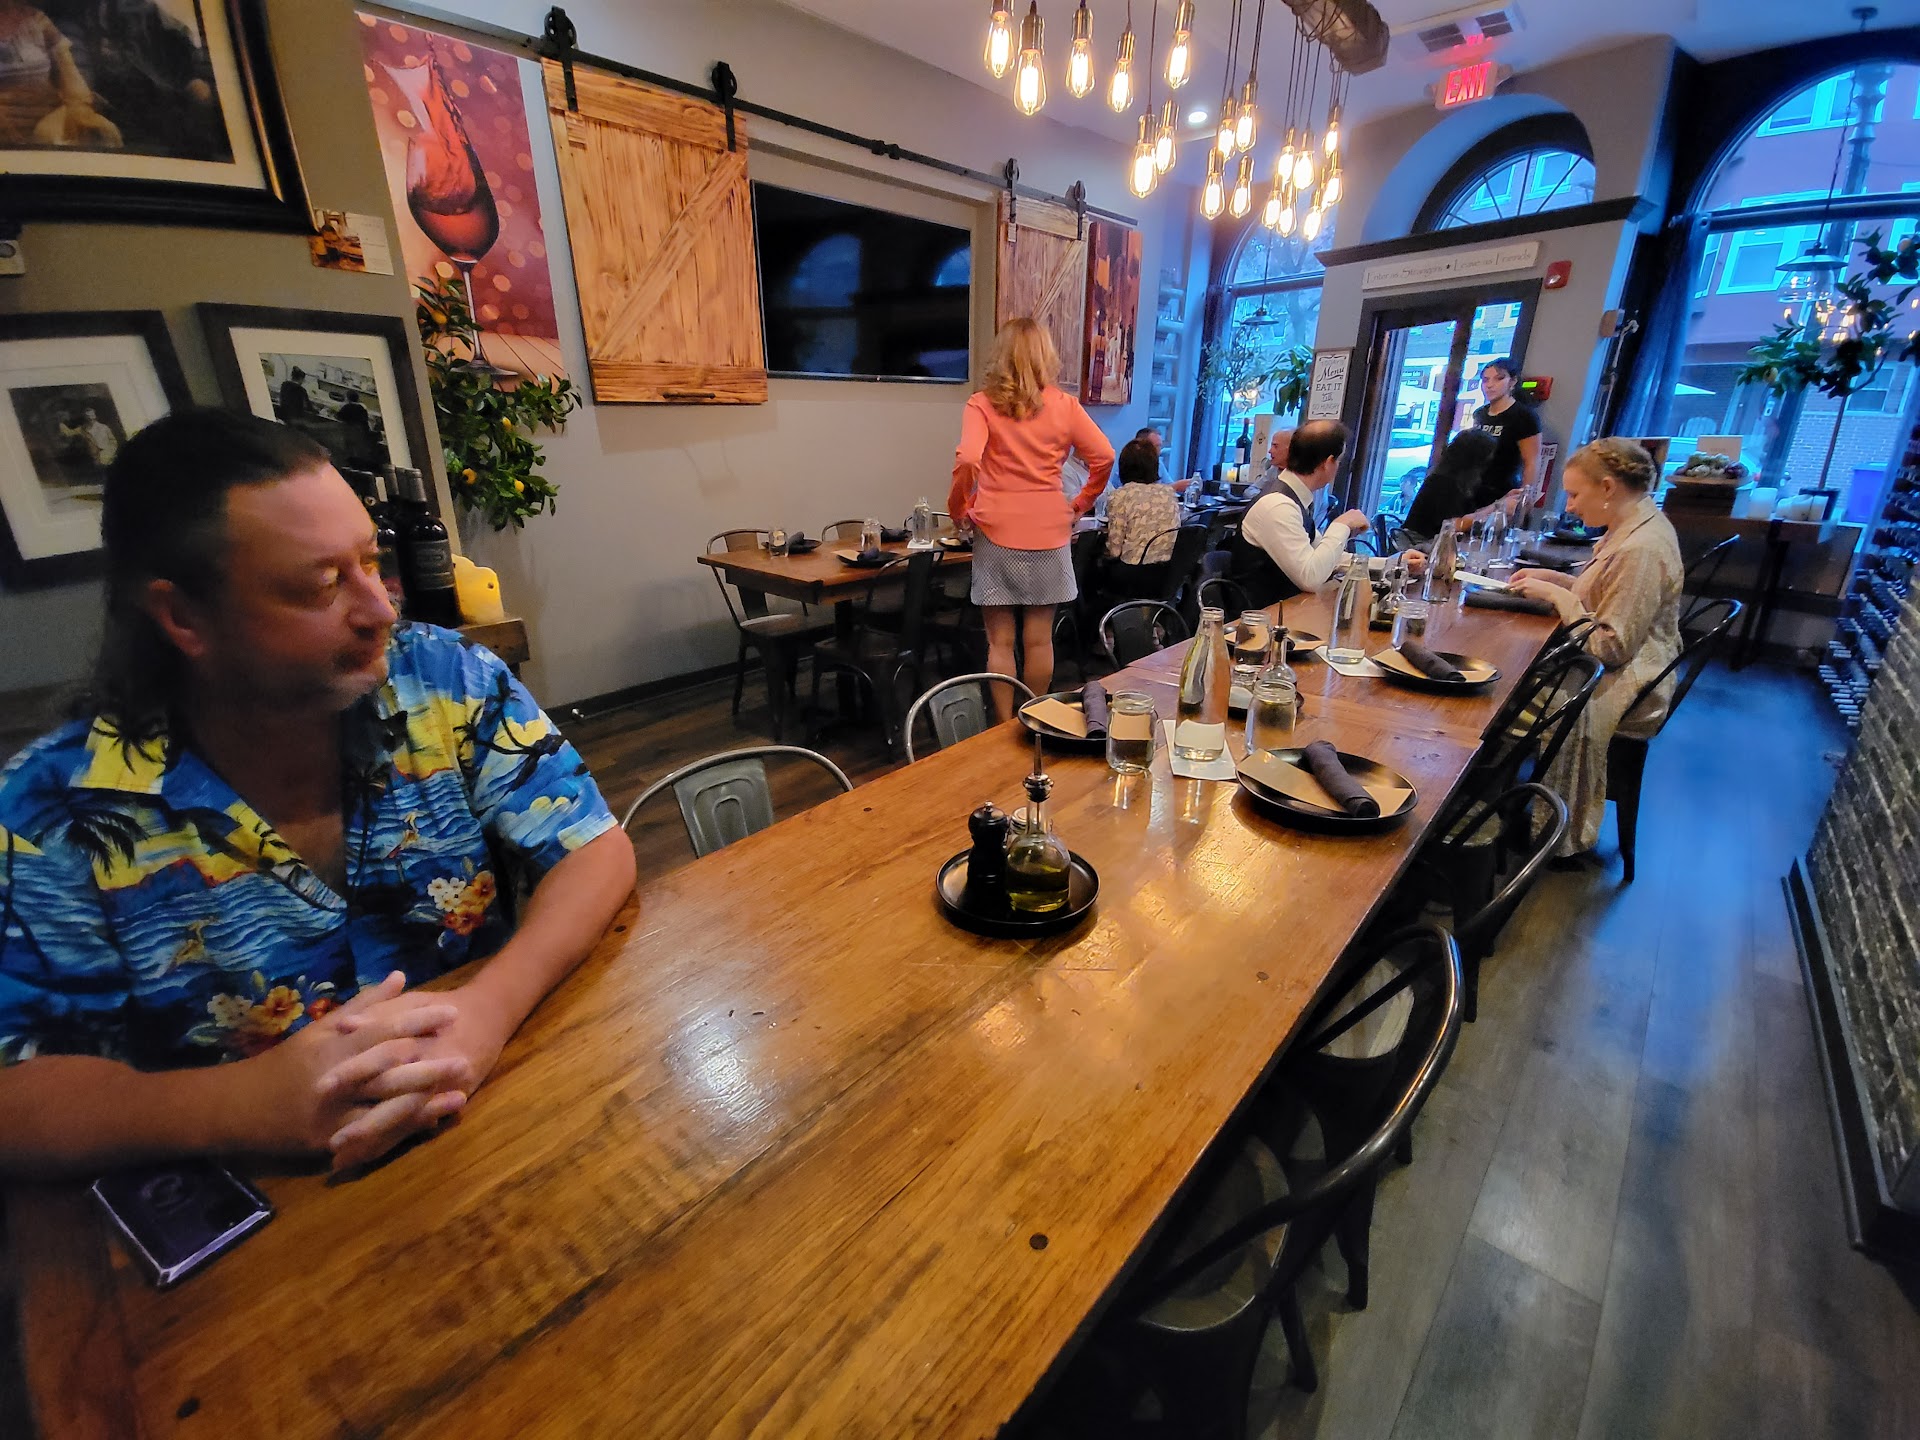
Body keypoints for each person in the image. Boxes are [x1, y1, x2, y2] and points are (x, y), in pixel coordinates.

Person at [0, 409, 636, 1180]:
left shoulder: (444, 678)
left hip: (493, 1126)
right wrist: (237, 1105)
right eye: (324, 584)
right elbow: (16, 1092)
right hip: (266, 1204)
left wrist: (489, 1009)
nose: (380, 609)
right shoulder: (52, 811)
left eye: (372, 562)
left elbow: (594, 849)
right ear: (182, 616)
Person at [1509, 438, 1682, 863]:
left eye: (1574, 494)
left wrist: (1561, 598)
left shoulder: (1641, 548)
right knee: (1513, 677)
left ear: (1607, 488)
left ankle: (1522, 816)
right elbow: (1605, 595)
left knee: (1503, 698)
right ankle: (1506, 797)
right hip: (1625, 666)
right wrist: (1556, 581)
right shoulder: (1634, 526)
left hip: (1628, 685)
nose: (1569, 506)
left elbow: (1611, 646)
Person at [950, 318, 1114, 711]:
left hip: (996, 529)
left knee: (999, 642)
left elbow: (968, 458)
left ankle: (1004, 724)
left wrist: (960, 507)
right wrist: (1080, 503)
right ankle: (1035, 717)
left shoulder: (982, 404)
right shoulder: (1065, 406)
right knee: (1040, 640)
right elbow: (1105, 456)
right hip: (1049, 530)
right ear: (1046, 356)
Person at [1224, 419, 1370, 607]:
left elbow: (1326, 558)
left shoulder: (1294, 498)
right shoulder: (1278, 505)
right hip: (1261, 617)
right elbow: (1310, 577)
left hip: (1284, 610)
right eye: (1338, 461)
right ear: (1328, 463)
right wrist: (1341, 525)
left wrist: (1391, 564)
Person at [1400, 428, 1499, 547]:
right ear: (1475, 460)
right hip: (1418, 545)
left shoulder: (1450, 480)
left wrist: (1498, 505)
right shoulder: (1443, 483)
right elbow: (1452, 526)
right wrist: (1497, 507)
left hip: (1428, 542)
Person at [1471, 357, 1542, 514]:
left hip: (1503, 490)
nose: (1490, 385)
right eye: (1485, 380)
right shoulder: (1480, 414)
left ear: (1512, 381)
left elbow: (1532, 460)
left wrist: (1525, 497)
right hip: (1473, 488)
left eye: (1499, 378)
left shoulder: (1523, 416)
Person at [1103, 438, 1180, 566]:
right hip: (1168, 570)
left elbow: (1115, 551)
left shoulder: (1121, 495)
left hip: (1134, 569)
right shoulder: (1169, 492)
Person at [1250, 425, 1295, 498]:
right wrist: (1267, 498)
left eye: (1276, 446)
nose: (1270, 451)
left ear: (1291, 449)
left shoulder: (1302, 475)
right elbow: (1250, 490)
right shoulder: (1273, 470)